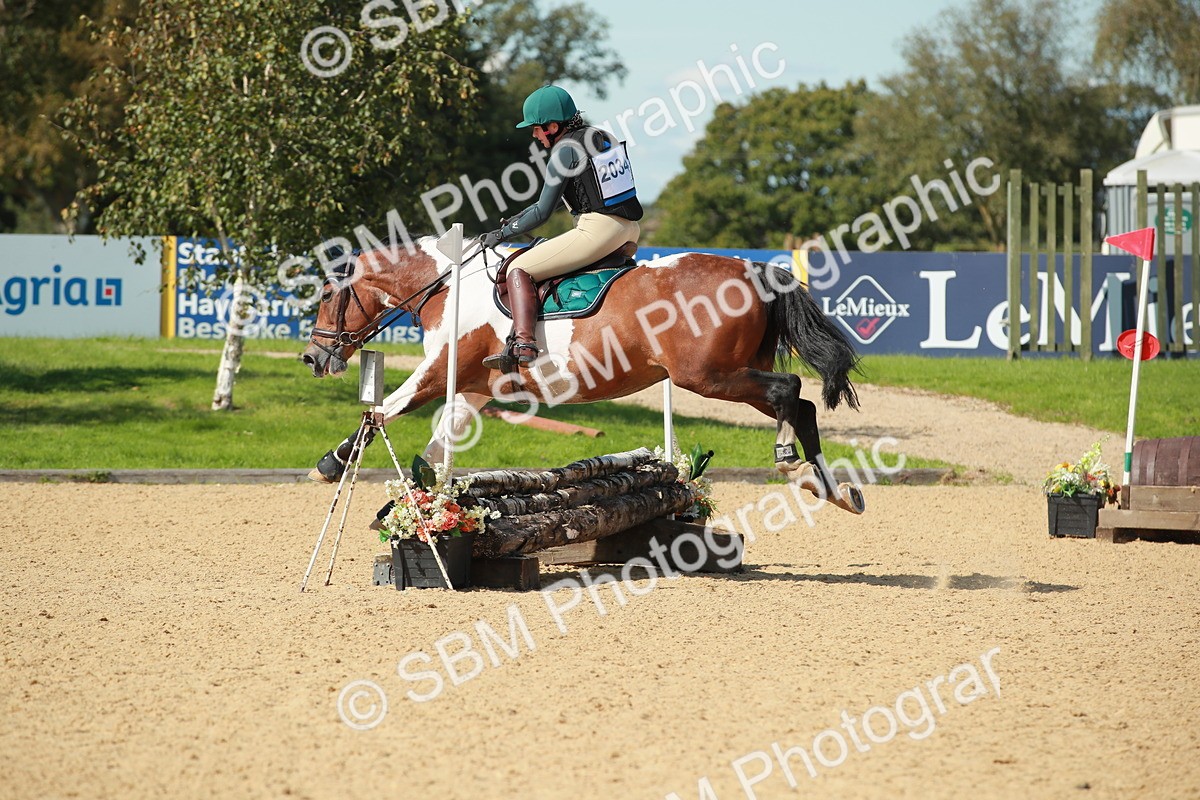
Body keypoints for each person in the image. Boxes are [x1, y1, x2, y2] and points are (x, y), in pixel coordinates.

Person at [481, 85, 643, 370]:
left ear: (553, 126)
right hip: (630, 230)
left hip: (598, 231)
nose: (534, 135)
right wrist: (519, 218)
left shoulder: (564, 151)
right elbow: (581, 193)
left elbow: (543, 212)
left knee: (518, 269)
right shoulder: (604, 136)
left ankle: (524, 343)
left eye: (536, 129)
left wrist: (502, 233)